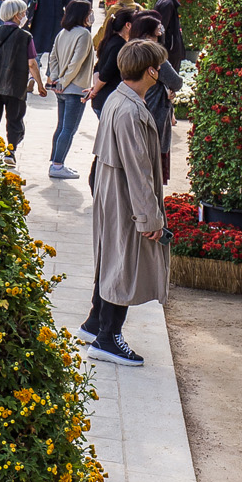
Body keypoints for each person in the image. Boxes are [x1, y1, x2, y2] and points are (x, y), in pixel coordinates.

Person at [80, 39, 170, 369]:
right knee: (123, 263)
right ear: (151, 71)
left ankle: (95, 324)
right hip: (125, 196)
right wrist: (150, 218)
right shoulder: (131, 110)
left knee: (111, 257)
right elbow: (139, 169)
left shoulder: (118, 98)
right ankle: (108, 338)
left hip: (111, 189)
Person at [0, 0, 46, 151]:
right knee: (14, 121)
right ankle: (11, 151)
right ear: (16, 15)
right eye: (23, 13)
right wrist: (40, 84)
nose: (25, 16)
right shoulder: (25, 36)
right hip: (16, 86)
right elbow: (32, 63)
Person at [43, 0, 97, 180]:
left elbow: (53, 58)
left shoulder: (63, 33)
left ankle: (55, 162)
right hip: (75, 88)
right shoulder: (84, 34)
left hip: (62, 87)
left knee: (61, 127)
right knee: (68, 129)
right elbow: (76, 62)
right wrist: (64, 82)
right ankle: (58, 165)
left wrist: (57, 79)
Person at [128, 15, 183, 183]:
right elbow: (176, 82)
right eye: (157, 34)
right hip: (154, 113)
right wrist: (168, 88)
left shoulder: (128, 51)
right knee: (151, 171)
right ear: (147, 35)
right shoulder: (154, 56)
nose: (158, 38)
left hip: (133, 109)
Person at [86, 1, 139, 116]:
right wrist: (95, 91)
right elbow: (106, 72)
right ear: (128, 25)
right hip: (109, 101)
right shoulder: (120, 45)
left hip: (102, 100)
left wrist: (95, 88)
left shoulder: (109, 40)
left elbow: (97, 68)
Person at [151, 0, 190, 68]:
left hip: (171, 50)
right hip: (169, 52)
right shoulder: (167, 3)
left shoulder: (169, 1)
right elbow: (160, 28)